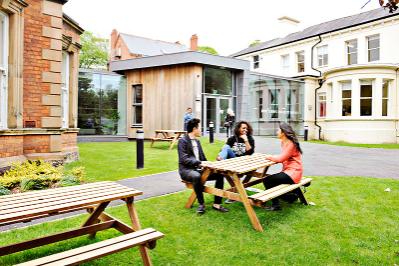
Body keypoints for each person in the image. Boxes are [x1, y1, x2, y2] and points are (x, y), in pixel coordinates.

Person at [178, 118, 229, 214]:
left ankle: (217, 204)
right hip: (186, 170)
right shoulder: (183, 141)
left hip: (199, 168)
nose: (200, 130)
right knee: (196, 176)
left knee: (220, 175)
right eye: (199, 128)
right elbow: (184, 160)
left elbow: (203, 158)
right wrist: (199, 163)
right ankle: (201, 204)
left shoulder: (197, 142)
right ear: (194, 129)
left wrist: (210, 164)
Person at [262, 123, 303, 211]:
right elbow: (284, 156)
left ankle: (276, 205)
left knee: (267, 180)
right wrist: (275, 157)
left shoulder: (291, 144)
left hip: (294, 173)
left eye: (278, 130)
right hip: (290, 172)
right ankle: (289, 197)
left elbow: (281, 159)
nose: (277, 132)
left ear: (283, 133)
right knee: (272, 180)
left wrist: (269, 157)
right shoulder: (284, 142)